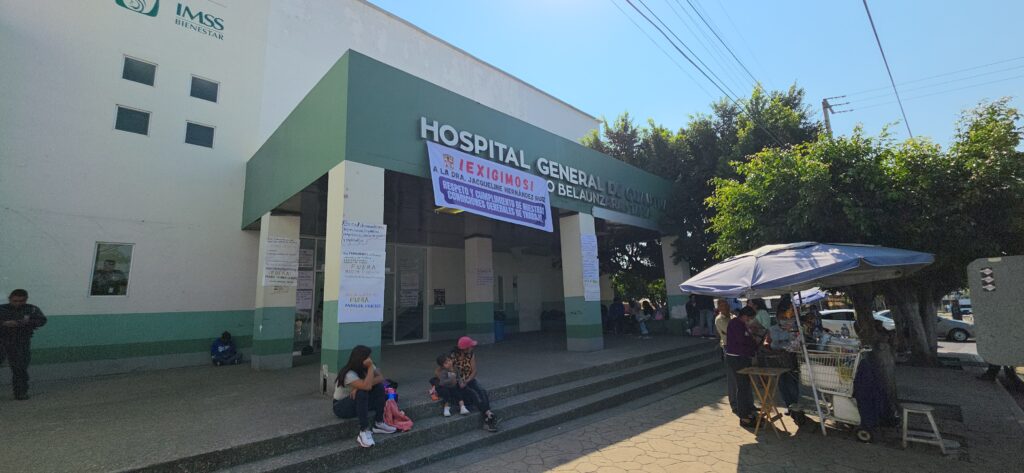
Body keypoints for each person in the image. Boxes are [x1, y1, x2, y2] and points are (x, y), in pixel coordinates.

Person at [332, 345, 397, 448]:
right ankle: (364, 431)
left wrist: (359, 387)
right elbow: (367, 387)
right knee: (362, 392)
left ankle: (379, 423)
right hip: (341, 407)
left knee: (379, 387)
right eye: (367, 357)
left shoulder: (367, 367)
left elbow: (381, 378)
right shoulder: (349, 374)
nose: (369, 360)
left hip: (357, 402)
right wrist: (369, 371)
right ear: (360, 359)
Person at [0, 289, 47, 400]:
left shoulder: (32, 309)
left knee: (20, 368)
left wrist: (21, 323)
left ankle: (20, 393)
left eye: (21, 301)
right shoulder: (1, 309)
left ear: (26, 300)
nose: (18, 303)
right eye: (15, 301)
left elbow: (42, 321)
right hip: (2, 340)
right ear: (10, 299)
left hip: (21, 342)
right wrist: (3, 323)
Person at [450, 336, 499, 432]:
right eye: (470, 346)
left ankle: (488, 414)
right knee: (473, 393)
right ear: (465, 348)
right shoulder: (453, 357)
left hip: (469, 379)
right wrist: (461, 382)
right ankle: (488, 416)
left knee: (481, 390)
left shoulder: (471, 354)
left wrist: (467, 380)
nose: (472, 348)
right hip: (458, 382)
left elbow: (474, 371)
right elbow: (452, 373)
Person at [726, 307, 758, 427]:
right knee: (742, 386)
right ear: (744, 316)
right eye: (749, 318)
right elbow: (742, 340)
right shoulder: (735, 324)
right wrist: (751, 341)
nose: (749, 320)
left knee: (745, 385)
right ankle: (744, 417)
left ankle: (747, 411)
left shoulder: (741, 324)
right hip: (737, 358)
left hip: (742, 357)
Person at [768, 318, 801, 409]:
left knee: (792, 382)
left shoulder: (794, 328)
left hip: (791, 358)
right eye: (783, 318)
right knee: (782, 382)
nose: (786, 321)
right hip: (778, 358)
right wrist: (787, 333)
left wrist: (789, 333)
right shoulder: (773, 329)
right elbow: (776, 339)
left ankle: (795, 403)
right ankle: (788, 404)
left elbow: (796, 340)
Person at [714, 299, 736, 413]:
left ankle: (746, 401)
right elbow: (730, 332)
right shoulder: (719, 319)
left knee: (741, 377)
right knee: (732, 377)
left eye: (726, 305)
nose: (725, 308)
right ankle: (734, 402)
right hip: (729, 348)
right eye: (722, 306)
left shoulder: (733, 316)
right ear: (719, 308)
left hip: (739, 348)